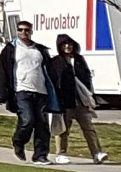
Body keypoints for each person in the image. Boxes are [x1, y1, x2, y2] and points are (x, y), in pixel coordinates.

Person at [0, 19, 57, 164]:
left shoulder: (39, 49)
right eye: (20, 30)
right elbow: (2, 72)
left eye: (27, 30)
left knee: (42, 125)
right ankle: (18, 142)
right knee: (27, 120)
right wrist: (1, 94)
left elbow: (49, 70)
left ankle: (40, 156)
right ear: (17, 31)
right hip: (21, 90)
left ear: (31, 31)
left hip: (41, 91)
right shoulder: (10, 49)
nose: (23, 32)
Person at [48, 32, 111, 164]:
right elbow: (53, 81)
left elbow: (87, 78)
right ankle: (61, 153)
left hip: (81, 101)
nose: (67, 46)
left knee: (89, 128)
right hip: (65, 102)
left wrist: (90, 97)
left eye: (69, 44)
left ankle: (96, 153)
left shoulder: (79, 60)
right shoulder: (56, 62)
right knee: (63, 129)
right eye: (64, 44)